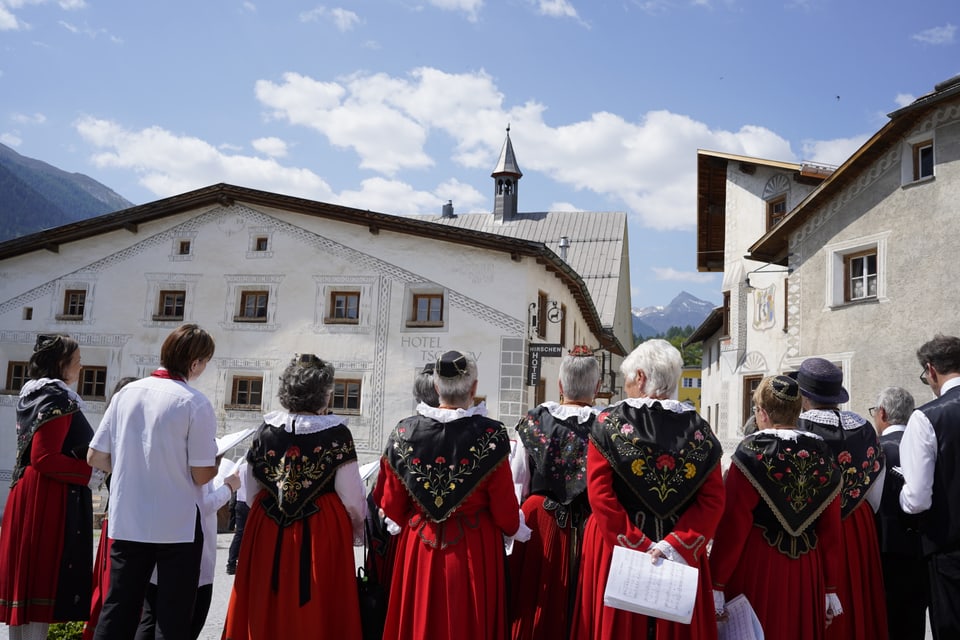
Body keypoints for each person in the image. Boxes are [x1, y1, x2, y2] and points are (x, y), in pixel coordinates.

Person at [570, 339, 724, 640]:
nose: (627, 387)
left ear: (640, 378)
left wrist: (637, 544)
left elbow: (601, 495)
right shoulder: (700, 429)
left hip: (617, 546)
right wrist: (675, 545)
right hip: (679, 551)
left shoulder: (608, 423)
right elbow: (714, 500)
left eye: (628, 380)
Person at [379, 350, 531, 640]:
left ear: (436, 388)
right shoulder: (492, 435)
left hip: (420, 545)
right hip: (473, 547)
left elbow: (391, 505)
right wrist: (516, 528)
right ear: (473, 388)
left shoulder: (403, 432)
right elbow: (504, 510)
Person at [221, 353, 367, 640]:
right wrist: (356, 526)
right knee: (319, 599)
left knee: (267, 595)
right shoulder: (338, 434)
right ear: (323, 394)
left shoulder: (266, 431)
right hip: (321, 530)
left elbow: (252, 490)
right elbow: (351, 497)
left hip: (269, 525)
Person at [87, 323, 219, 640]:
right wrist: (216, 463)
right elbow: (201, 474)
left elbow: (95, 456)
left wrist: (132, 469)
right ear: (195, 362)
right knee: (172, 614)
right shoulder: (195, 402)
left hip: (129, 516)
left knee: (118, 607)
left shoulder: (125, 394)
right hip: (177, 525)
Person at [711, 375, 844, 639]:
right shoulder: (822, 454)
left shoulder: (751, 452)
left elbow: (733, 527)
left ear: (761, 413)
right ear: (798, 411)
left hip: (759, 563)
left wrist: (717, 582)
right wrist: (830, 587)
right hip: (807, 567)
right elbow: (831, 530)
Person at [0, 334, 101, 640]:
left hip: (30, 491)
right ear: (61, 364)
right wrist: (91, 472)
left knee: (29, 586)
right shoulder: (57, 397)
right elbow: (45, 458)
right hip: (46, 497)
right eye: (77, 360)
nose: (81, 366)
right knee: (41, 581)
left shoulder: (34, 394)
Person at [508, 345, 601, 640]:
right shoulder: (609, 426)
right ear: (597, 388)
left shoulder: (535, 421)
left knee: (537, 604)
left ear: (560, 385)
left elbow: (517, 481)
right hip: (592, 525)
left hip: (541, 522)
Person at [795, 357, 887, 640]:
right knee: (857, 597)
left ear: (803, 395)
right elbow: (876, 487)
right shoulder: (863, 426)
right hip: (858, 526)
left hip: (812, 525)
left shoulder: (798, 427)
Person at [136, 441, 241, 640]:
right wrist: (228, 487)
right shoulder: (195, 468)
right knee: (183, 621)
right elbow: (202, 506)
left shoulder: (168, 458)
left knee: (151, 619)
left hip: (160, 549)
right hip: (189, 556)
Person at [900, 334, 960, 639]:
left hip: (949, 550)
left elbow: (918, 499)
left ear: (931, 370)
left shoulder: (927, 418)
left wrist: (900, 492)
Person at [82, 376, 139, 640]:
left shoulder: (117, 436)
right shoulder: (123, 440)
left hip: (117, 520)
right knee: (117, 590)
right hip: (125, 523)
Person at [871, 386, 928, 640]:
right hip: (921, 550)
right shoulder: (925, 445)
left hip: (881, 551)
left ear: (881, 413)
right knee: (913, 623)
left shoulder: (874, 450)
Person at [225, 458, 249, 576]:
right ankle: (246, 562)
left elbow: (230, 479)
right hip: (251, 503)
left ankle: (231, 563)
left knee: (239, 534)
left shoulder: (241, 468)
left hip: (240, 502)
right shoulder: (256, 468)